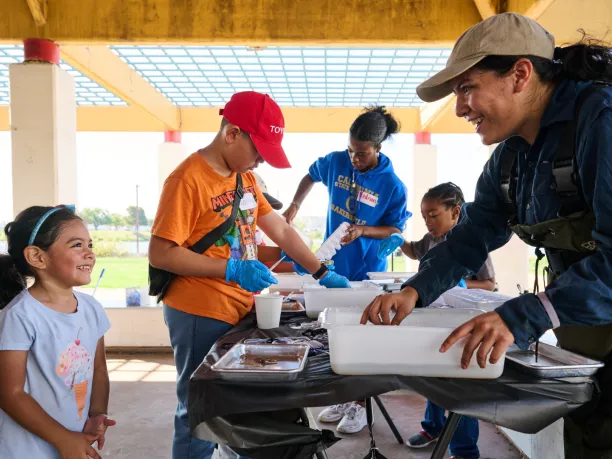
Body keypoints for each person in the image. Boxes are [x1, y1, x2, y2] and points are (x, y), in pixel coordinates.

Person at [361, 12, 612, 459]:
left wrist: (522, 316)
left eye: (466, 88)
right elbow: (471, 236)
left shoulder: (601, 122)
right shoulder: (511, 157)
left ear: (519, 74)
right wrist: (416, 290)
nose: (459, 108)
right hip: (588, 342)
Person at [148, 91, 351, 459]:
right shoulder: (188, 180)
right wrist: (229, 268)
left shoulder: (245, 179)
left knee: (230, 405)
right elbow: (161, 253)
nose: (260, 162)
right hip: (198, 310)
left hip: (238, 308)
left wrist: (321, 271)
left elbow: (283, 232)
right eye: (258, 151)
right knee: (198, 409)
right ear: (231, 133)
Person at [283, 105, 411, 434]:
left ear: (378, 149)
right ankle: (344, 396)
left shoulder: (392, 185)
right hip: (332, 269)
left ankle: (359, 405)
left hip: (366, 272)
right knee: (336, 336)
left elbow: (396, 231)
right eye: (351, 151)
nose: (355, 158)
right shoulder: (337, 161)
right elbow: (310, 174)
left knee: (364, 337)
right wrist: (296, 204)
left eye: (362, 153)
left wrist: (363, 231)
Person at [379, 182, 496, 459]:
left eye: (434, 215)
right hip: (432, 320)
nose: (429, 223)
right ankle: (433, 427)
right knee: (432, 377)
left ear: (455, 212)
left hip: (461, 323)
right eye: (424, 217)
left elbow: (489, 283)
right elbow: (413, 251)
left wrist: (458, 284)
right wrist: (398, 239)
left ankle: (465, 450)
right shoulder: (431, 240)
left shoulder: (471, 244)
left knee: (459, 385)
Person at [0, 205, 115, 459]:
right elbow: (10, 394)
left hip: (73, 441)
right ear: (37, 257)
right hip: (27, 449)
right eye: (77, 245)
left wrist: (97, 414)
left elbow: (97, 368)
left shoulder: (92, 309)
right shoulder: (19, 316)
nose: (90, 254)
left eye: (90, 245)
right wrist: (63, 439)